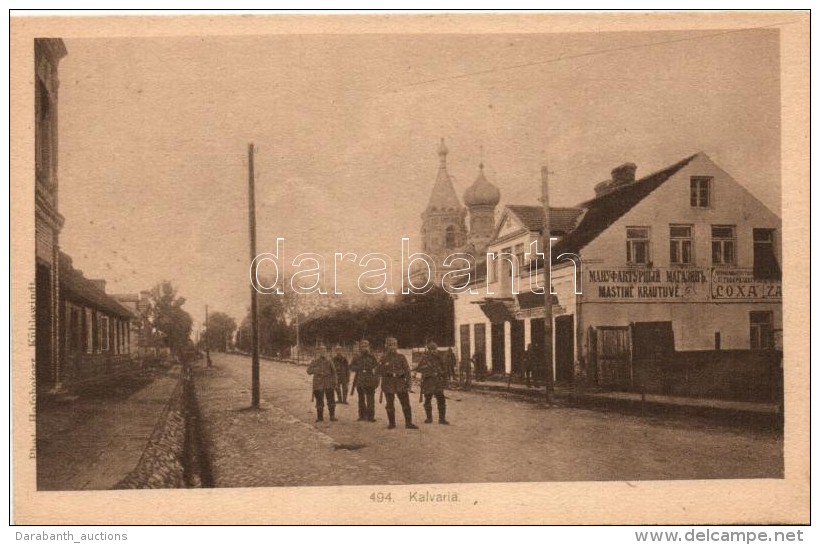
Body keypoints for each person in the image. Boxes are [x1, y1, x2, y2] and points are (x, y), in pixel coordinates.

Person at [378, 337, 418, 430]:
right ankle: (392, 423)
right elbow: (378, 371)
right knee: (389, 404)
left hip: (400, 383)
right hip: (388, 383)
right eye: (390, 345)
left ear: (397, 346)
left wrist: (409, 383)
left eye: (394, 345)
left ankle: (408, 423)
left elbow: (407, 371)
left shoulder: (401, 357)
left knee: (406, 404)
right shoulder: (383, 358)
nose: (392, 347)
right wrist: (383, 367)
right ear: (386, 346)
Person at [415, 341, 449, 424]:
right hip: (428, 382)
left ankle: (442, 419)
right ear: (428, 350)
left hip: (437, 382)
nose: (433, 351)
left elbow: (444, 370)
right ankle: (429, 418)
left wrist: (444, 379)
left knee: (441, 400)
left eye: (435, 349)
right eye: (431, 349)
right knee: (427, 400)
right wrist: (425, 370)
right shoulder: (424, 358)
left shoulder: (439, 358)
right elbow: (418, 369)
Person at [350, 340, 379, 422]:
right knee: (361, 399)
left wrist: (376, 380)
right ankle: (362, 415)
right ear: (360, 348)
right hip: (360, 380)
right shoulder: (356, 357)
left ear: (369, 347)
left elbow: (376, 367)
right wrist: (358, 368)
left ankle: (371, 416)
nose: (364, 348)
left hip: (370, 379)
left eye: (366, 346)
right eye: (362, 346)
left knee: (370, 399)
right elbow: (351, 367)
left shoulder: (372, 357)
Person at [306, 344, 337, 422]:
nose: (323, 352)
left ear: (326, 351)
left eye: (324, 351)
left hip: (328, 383)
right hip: (318, 384)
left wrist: (334, 382)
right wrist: (316, 370)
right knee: (319, 401)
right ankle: (320, 418)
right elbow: (308, 371)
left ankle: (332, 416)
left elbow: (334, 372)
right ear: (318, 352)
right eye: (321, 351)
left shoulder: (329, 360)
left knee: (331, 400)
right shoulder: (315, 361)